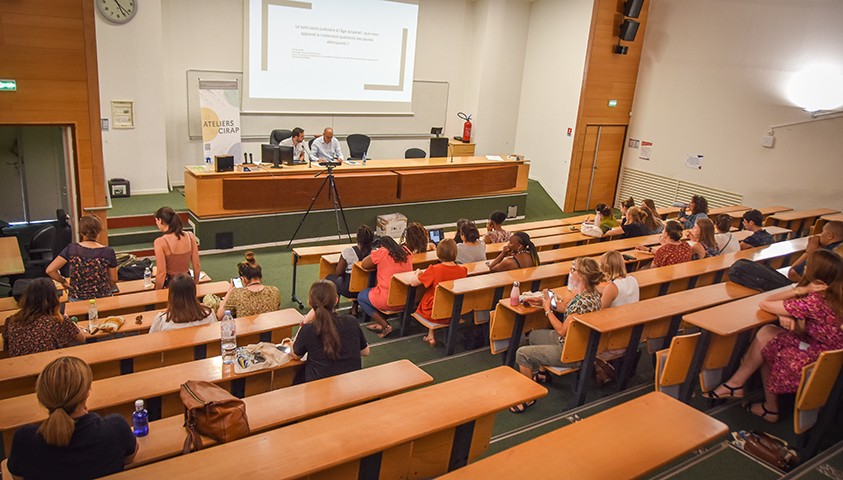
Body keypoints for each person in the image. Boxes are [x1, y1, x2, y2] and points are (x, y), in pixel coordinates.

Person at [702, 250, 843, 423]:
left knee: (768, 344)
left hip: (818, 362)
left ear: (817, 274)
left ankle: (759, 400)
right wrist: (787, 314)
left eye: (809, 265)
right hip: (829, 356)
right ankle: (739, 386)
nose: (805, 267)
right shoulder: (835, 296)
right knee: (767, 333)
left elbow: (765, 302)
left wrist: (800, 289)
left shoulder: (815, 301)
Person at [6, 357, 137, 479]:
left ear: (41, 396)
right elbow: (129, 457)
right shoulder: (115, 428)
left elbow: (17, 476)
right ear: (86, 394)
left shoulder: (25, 440)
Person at [510, 257, 603, 413]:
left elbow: (561, 330)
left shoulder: (581, 302)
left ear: (581, 276)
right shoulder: (592, 295)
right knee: (534, 336)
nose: (571, 271)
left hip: (569, 351)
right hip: (579, 343)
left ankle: (528, 397)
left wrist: (547, 310)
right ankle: (542, 374)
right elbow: (566, 307)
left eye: (574, 269)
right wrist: (544, 302)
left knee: (522, 354)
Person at [288, 280, 369, 383]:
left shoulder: (308, 329)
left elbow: (295, 355)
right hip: (350, 386)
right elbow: (365, 351)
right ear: (336, 300)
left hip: (320, 389)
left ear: (309, 302)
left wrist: (304, 322)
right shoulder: (351, 321)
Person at [2, 278, 84, 357]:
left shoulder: (11, 320)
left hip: (18, 367)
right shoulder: (57, 321)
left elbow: (7, 348)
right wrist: (65, 317)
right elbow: (81, 338)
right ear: (53, 298)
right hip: (50, 368)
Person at [409, 239, 468, 347]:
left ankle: (431, 334)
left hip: (432, 311)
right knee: (441, 297)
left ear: (438, 253)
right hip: (455, 310)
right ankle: (431, 334)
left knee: (430, 295)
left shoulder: (434, 269)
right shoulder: (463, 270)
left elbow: (413, 283)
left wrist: (417, 272)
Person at [46, 215, 118, 301]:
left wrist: (63, 281)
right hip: (102, 298)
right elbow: (114, 279)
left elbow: (50, 270)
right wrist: (103, 290)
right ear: (99, 231)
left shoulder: (72, 249)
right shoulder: (108, 252)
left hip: (76, 298)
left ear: (81, 232)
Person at [357, 236, 412, 338]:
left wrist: (374, 253)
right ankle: (381, 321)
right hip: (407, 299)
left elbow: (364, 264)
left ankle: (385, 325)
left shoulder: (382, 252)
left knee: (361, 296)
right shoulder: (406, 251)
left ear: (381, 246)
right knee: (378, 292)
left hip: (387, 300)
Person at [216, 252, 280, 320]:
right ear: (260, 277)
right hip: (270, 328)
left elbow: (219, 316)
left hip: (246, 330)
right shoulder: (274, 291)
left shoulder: (237, 294)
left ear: (243, 279)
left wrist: (230, 291)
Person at [326, 225, 375, 313]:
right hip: (370, 287)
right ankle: (354, 306)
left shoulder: (348, 252)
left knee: (330, 279)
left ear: (357, 239)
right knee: (360, 280)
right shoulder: (375, 253)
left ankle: (332, 309)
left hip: (350, 290)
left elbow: (338, 272)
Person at [148, 273, 216, 333]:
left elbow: (151, 342)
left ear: (171, 296)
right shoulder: (209, 315)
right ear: (194, 293)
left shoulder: (162, 321)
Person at [153, 206, 200, 289]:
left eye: (156, 221)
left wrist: (157, 292)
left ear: (160, 220)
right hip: (188, 282)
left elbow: (161, 273)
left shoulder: (160, 242)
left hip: (171, 285)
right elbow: (196, 265)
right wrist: (196, 284)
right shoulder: (190, 236)